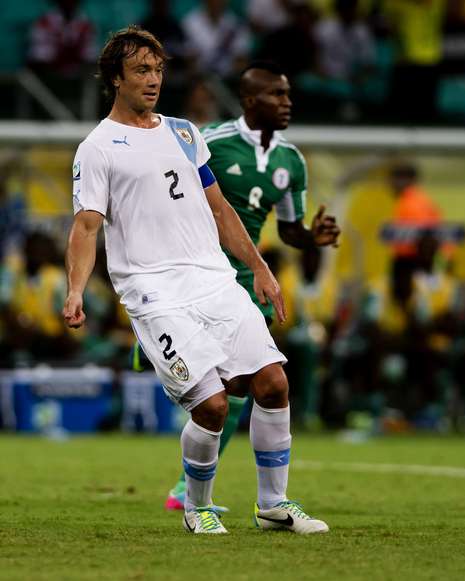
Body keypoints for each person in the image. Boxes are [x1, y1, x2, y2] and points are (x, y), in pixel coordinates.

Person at [63, 26, 330, 534]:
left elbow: (219, 208)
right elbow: (86, 224)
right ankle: (196, 507)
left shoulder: (184, 133)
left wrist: (259, 266)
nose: (153, 79)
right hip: (153, 290)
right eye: (142, 69)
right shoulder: (97, 147)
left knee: (274, 383)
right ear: (115, 77)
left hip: (214, 280)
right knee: (210, 404)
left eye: (159, 70)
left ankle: (273, 506)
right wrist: (75, 289)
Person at [161, 60, 340, 510]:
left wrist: (310, 237)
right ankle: (191, 489)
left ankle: (189, 490)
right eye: (276, 95)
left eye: (288, 95)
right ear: (249, 101)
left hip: (247, 278)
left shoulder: (290, 161)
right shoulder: (214, 142)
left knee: (249, 383)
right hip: (196, 274)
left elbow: (289, 229)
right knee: (222, 388)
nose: (287, 103)